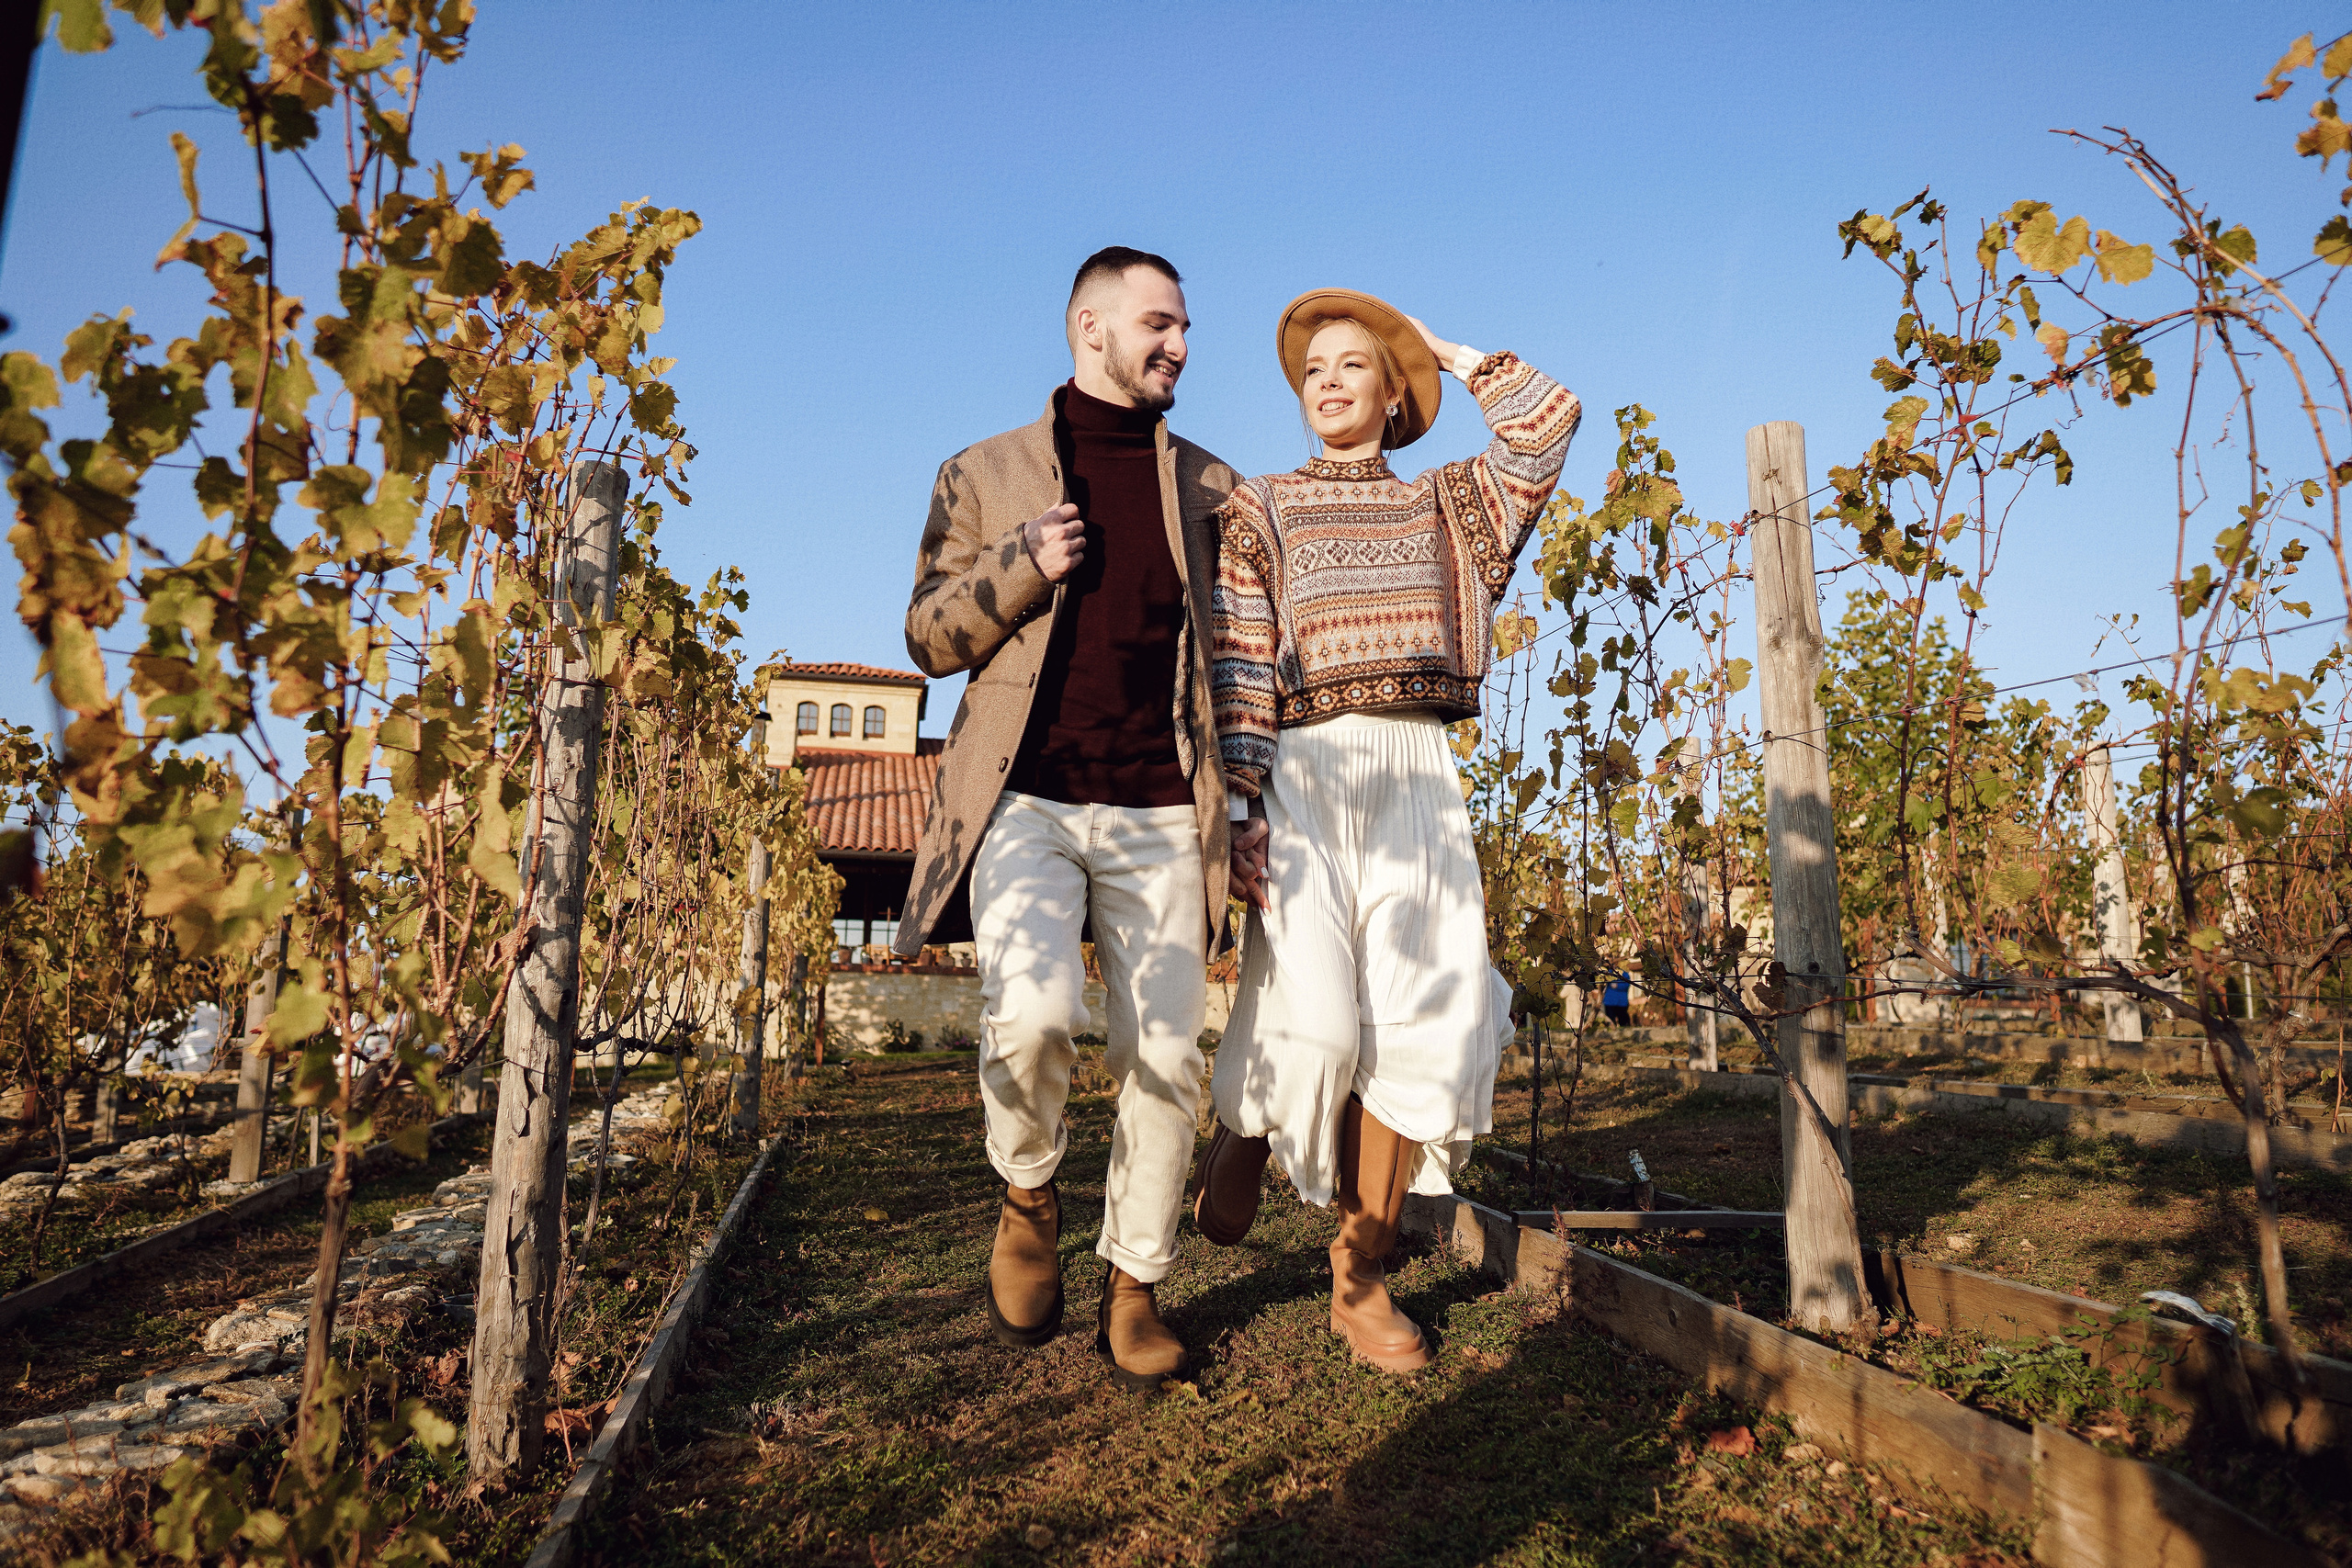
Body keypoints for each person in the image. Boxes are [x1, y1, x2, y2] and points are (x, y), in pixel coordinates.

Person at [1197, 289, 1580, 1372]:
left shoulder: (1449, 509)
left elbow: (1547, 422)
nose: (1326, 381)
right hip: (1304, 778)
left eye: (1353, 364)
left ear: (1393, 393)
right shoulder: (1263, 508)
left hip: (1415, 780)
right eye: (1312, 368)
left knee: (1429, 1024)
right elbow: (1239, 663)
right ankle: (1245, 1119)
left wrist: (1437, 348)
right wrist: (1240, 806)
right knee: (1318, 1025)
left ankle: (1357, 1274)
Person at [895, 247, 1241, 1393]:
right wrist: (1022, 566)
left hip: (1162, 806)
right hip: (1024, 797)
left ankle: (1134, 1286)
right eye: (1158, 324)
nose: (1178, 344)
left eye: (1183, 327)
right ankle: (1029, 1189)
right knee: (1036, 1014)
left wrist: (1246, 805)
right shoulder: (981, 472)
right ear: (1090, 326)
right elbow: (926, 638)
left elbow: (1241, 664)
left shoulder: (1213, 486)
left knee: (1165, 1058)